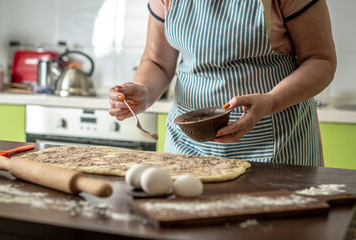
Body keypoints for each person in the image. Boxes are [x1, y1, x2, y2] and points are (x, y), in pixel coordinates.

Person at [108, 0, 336, 166]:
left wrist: (271, 101)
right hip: (189, 146)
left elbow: (320, 60)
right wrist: (144, 91)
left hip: (278, 143)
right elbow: (157, 60)